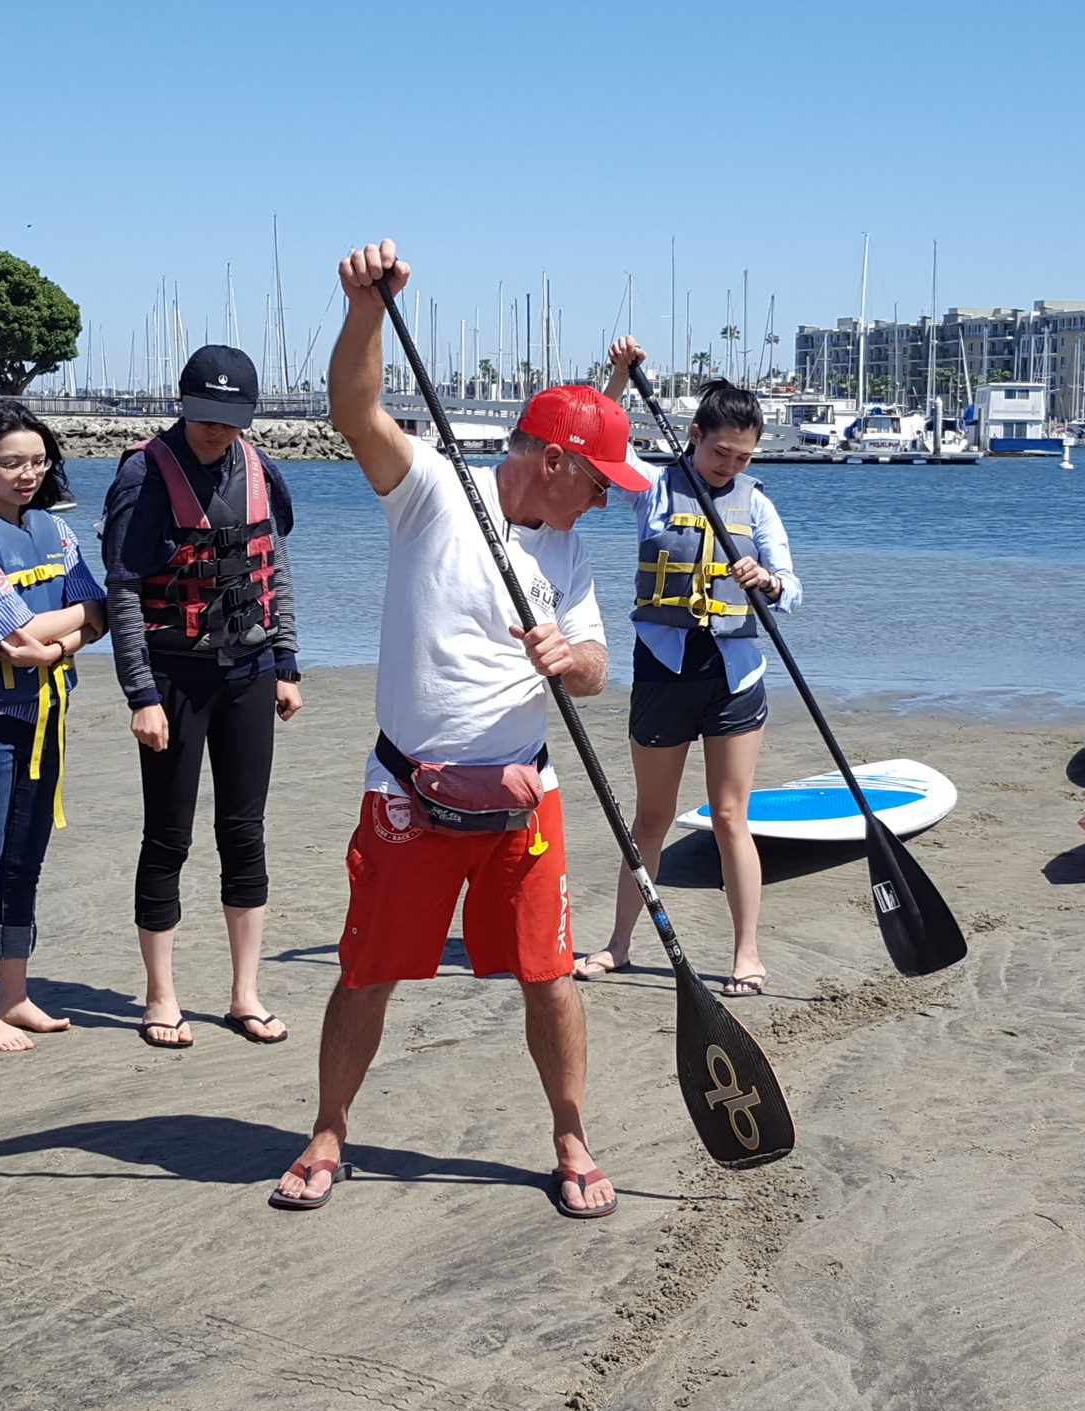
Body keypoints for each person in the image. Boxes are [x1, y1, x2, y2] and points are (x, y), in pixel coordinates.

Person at [275, 241, 644, 1220]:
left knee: (551, 978)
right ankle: (328, 1132)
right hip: (407, 792)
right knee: (367, 974)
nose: (608, 494)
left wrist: (576, 661)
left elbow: (602, 670)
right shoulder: (437, 492)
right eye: (598, 476)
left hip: (525, 794)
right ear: (553, 462)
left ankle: (571, 1138)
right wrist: (363, 307)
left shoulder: (570, 551)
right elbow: (355, 413)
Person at [582, 345, 798, 996]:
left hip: (733, 677)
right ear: (694, 437)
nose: (729, 467)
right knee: (651, 819)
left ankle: (746, 956)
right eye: (718, 454)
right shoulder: (652, 490)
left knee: (731, 816)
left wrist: (767, 579)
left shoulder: (755, 505)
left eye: (742, 458)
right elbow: (600, 442)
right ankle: (619, 945)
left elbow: (792, 585)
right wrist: (619, 376)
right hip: (664, 672)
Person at [101, 346, 301, 1049]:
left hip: (247, 674)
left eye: (232, 419)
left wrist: (286, 663)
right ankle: (161, 997)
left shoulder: (258, 469)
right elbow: (123, 592)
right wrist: (141, 693)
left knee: (244, 833)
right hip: (175, 678)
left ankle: (245, 993)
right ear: (182, 403)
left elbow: (270, 564)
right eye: (206, 417)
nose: (218, 431)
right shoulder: (141, 474)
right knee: (169, 836)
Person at [0, 400, 106, 1046]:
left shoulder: (55, 530)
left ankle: (14, 993)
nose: (27, 474)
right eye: (11, 463)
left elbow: (98, 606)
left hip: (48, 712)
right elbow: (12, 629)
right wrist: (62, 630)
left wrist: (54, 646)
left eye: (37, 461)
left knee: (25, 859)